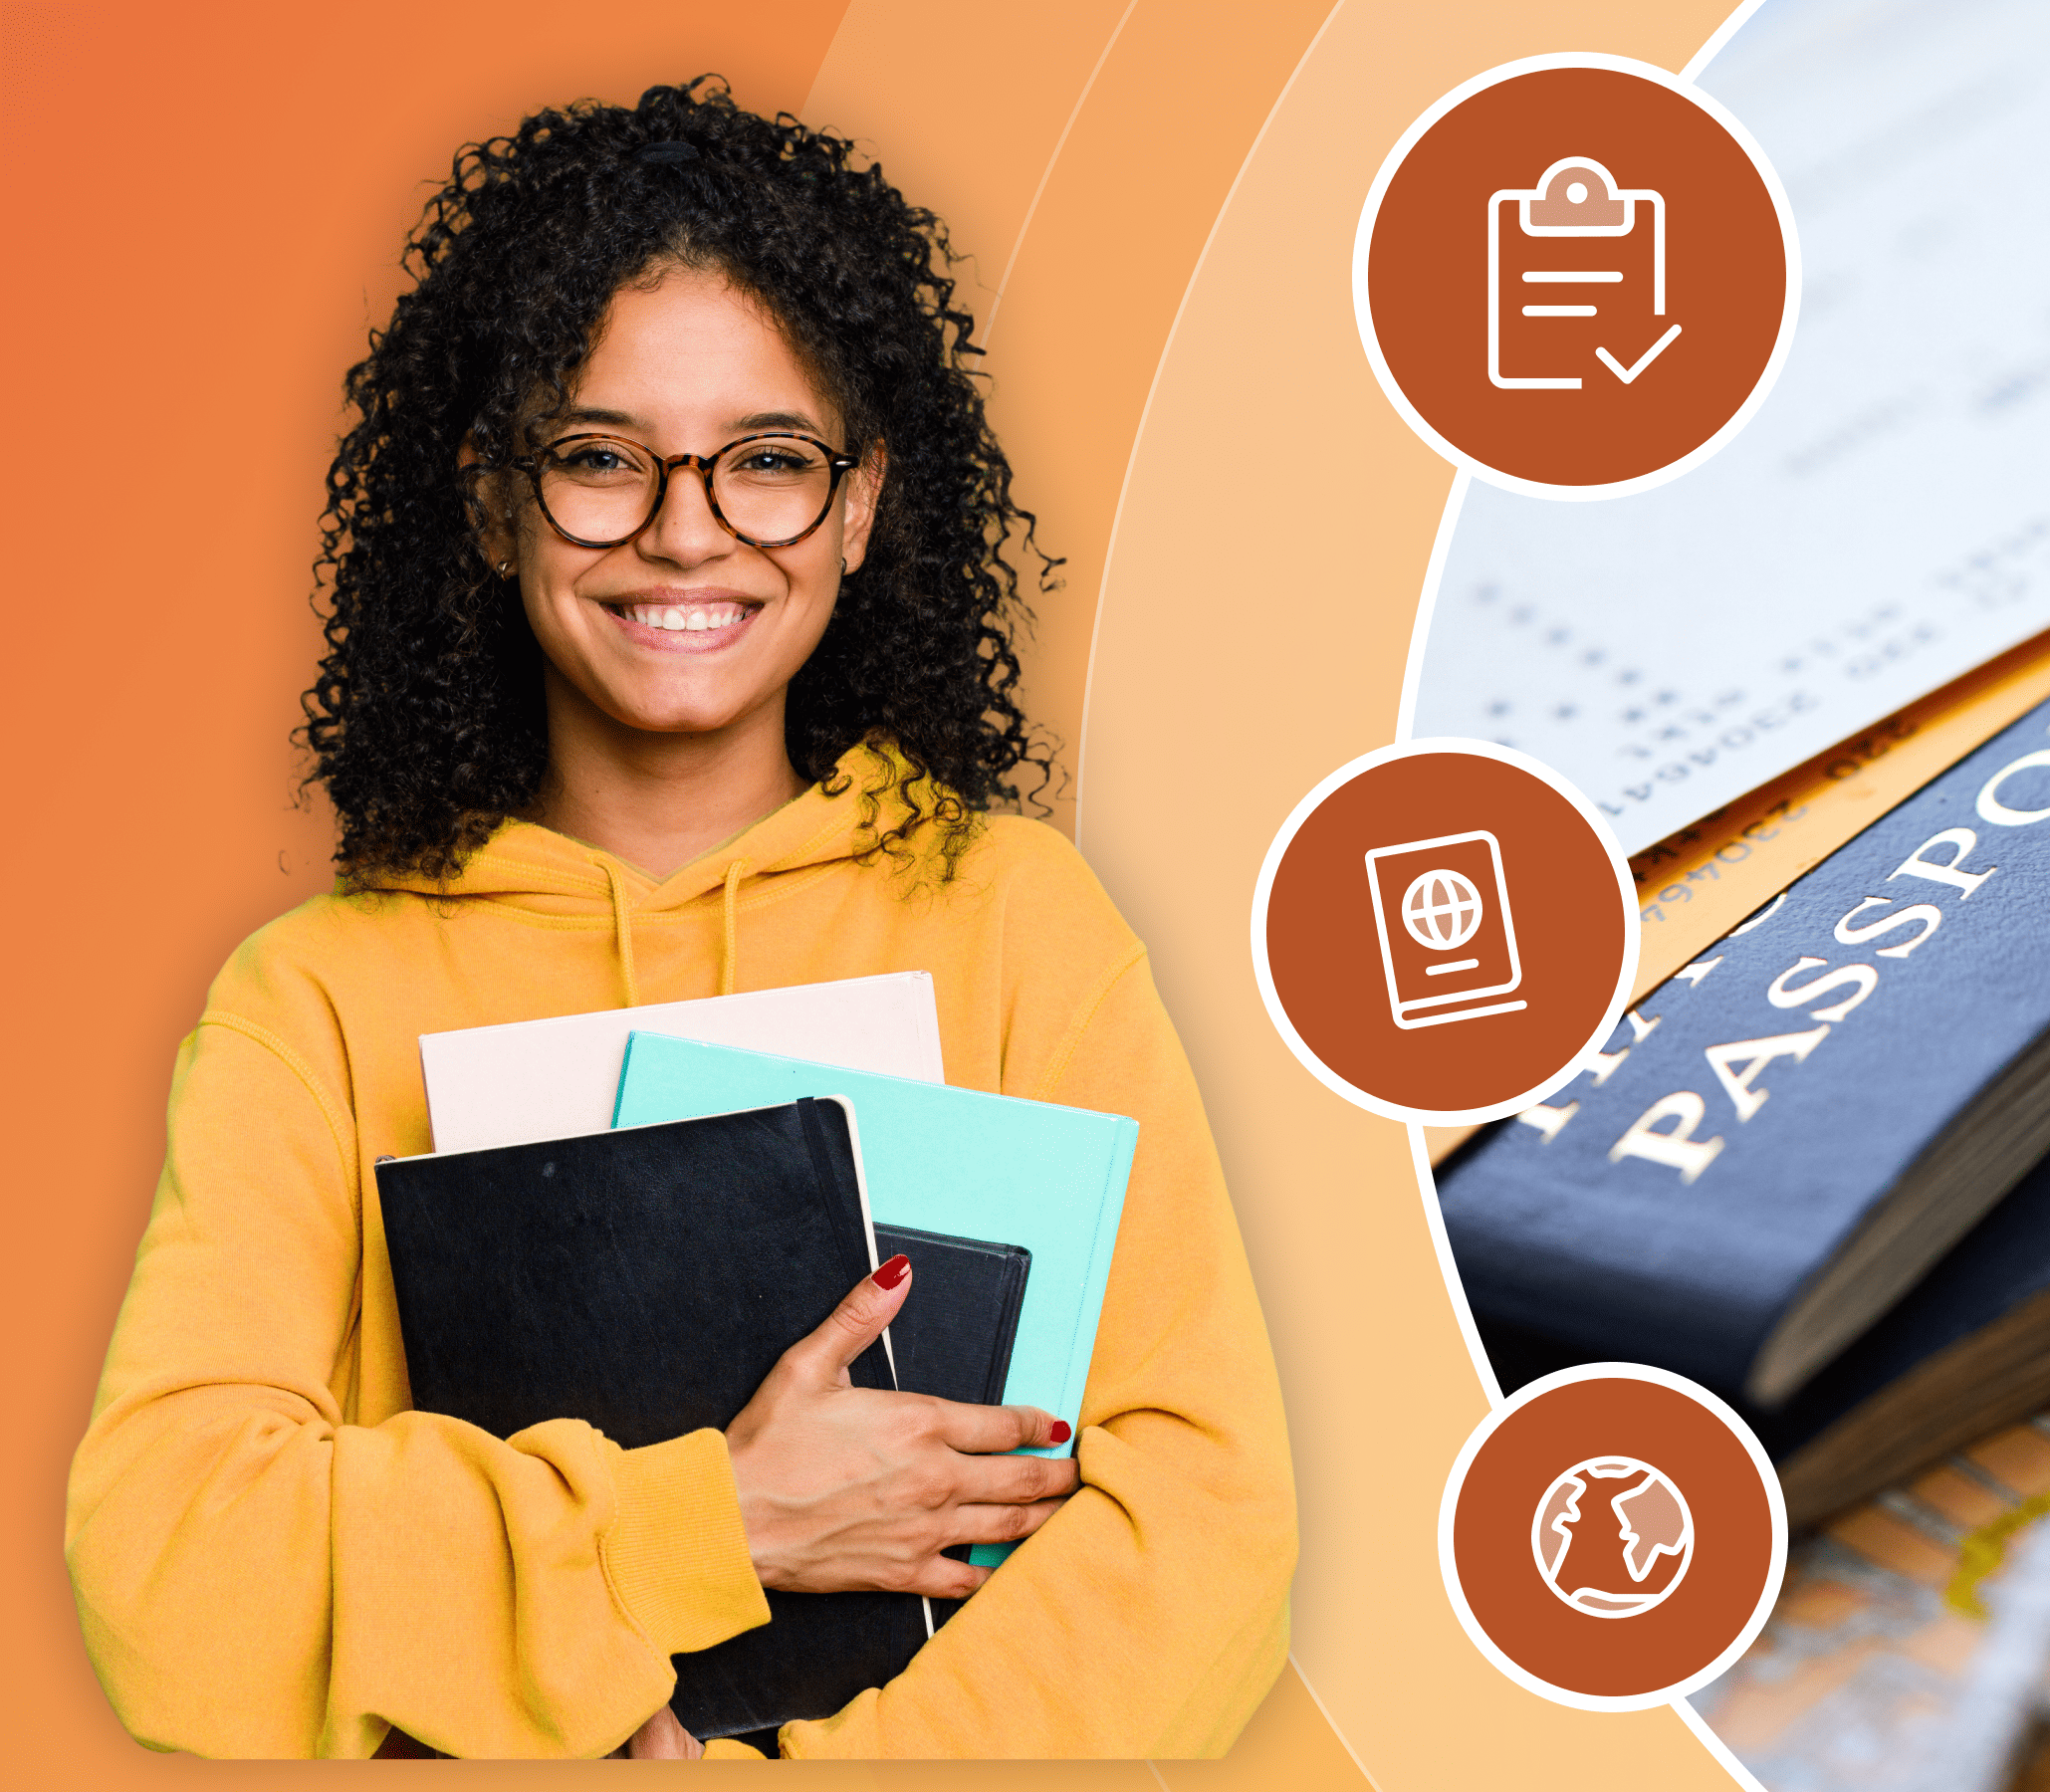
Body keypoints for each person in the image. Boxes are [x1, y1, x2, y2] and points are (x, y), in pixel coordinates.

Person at [62, 79, 1294, 1759]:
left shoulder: (1020, 927)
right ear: (496, 503)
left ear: (860, 508)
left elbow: (1203, 1539)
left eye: (770, 461)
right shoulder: (318, 1002)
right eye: (598, 460)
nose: (686, 528)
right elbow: (172, 1573)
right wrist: (716, 1521)